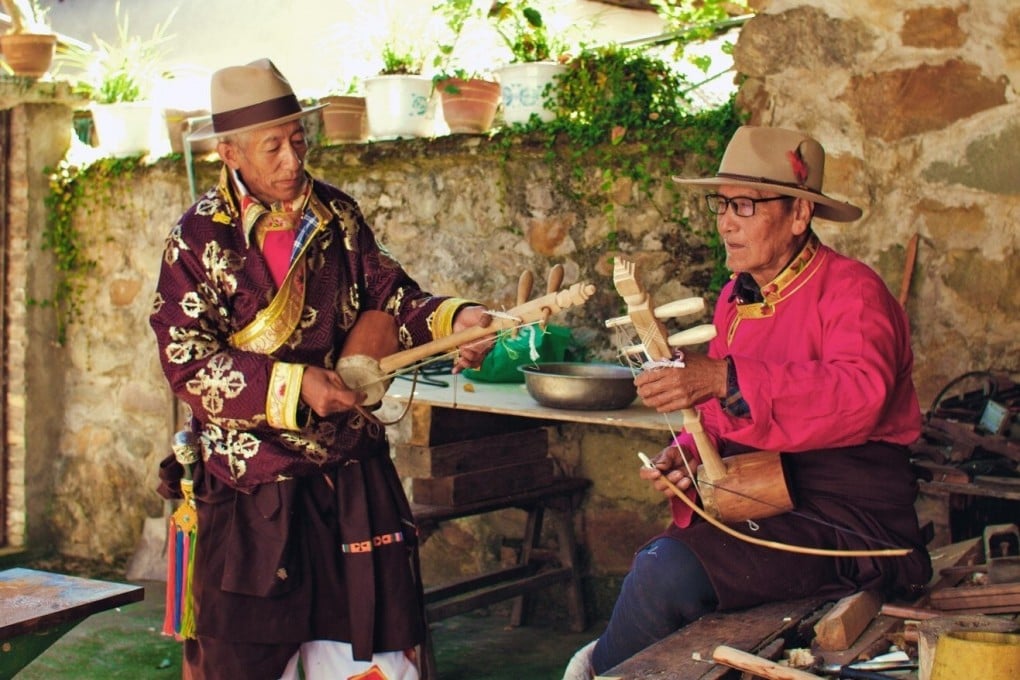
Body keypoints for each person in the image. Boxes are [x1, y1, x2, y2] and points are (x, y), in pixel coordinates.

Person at [150, 59, 491, 680]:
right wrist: (296, 383)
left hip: (348, 479)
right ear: (229, 152)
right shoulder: (198, 239)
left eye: (298, 141)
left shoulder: (338, 217)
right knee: (246, 663)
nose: (291, 161)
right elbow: (187, 360)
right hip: (252, 487)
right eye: (271, 147)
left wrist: (453, 319)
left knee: (372, 660)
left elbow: (391, 298)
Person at [563, 126, 933, 678]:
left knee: (666, 573)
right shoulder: (736, 301)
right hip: (764, 493)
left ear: (799, 215)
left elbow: (861, 396)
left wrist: (721, 377)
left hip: (846, 517)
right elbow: (720, 407)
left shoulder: (853, 290)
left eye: (744, 205)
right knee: (660, 566)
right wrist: (688, 453)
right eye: (721, 205)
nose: (725, 222)